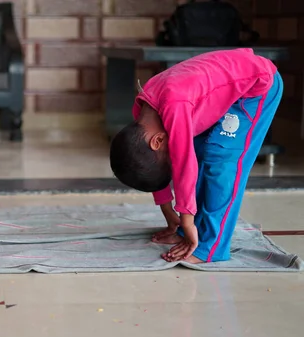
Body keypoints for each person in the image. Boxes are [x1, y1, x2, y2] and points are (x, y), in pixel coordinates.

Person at [109, 48, 283, 263]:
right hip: (220, 91)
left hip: (257, 87)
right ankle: (191, 232)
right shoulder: (145, 118)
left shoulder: (174, 103)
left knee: (220, 161)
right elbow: (154, 166)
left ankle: (212, 247)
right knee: (201, 154)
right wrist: (168, 209)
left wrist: (187, 220)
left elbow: (183, 164)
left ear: (158, 141)